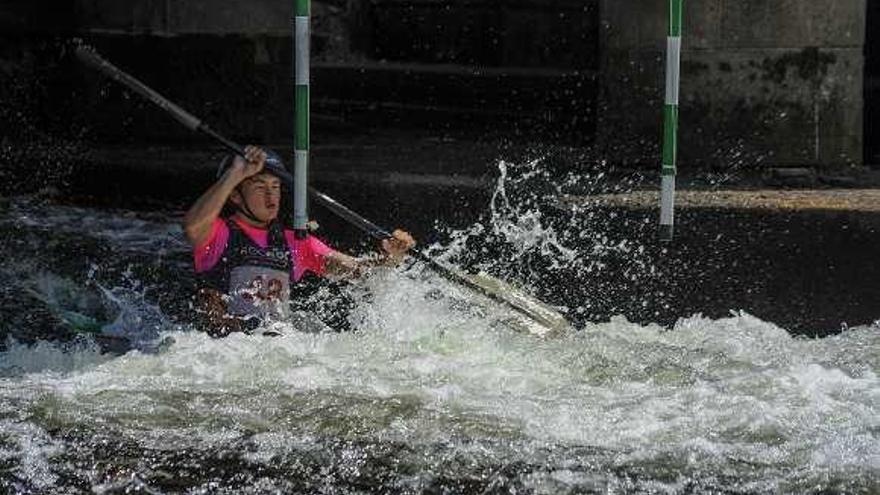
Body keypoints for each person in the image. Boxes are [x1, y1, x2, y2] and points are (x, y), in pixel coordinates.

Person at [183, 145, 415, 336]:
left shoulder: (296, 242)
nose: (270, 195)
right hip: (222, 350)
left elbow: (358, 272)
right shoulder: (218, 233)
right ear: (235, 195)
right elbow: (192, 226)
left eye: (275, 187)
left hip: (273, 349)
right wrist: (234, 174)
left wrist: (391, 258)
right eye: (259, 186)